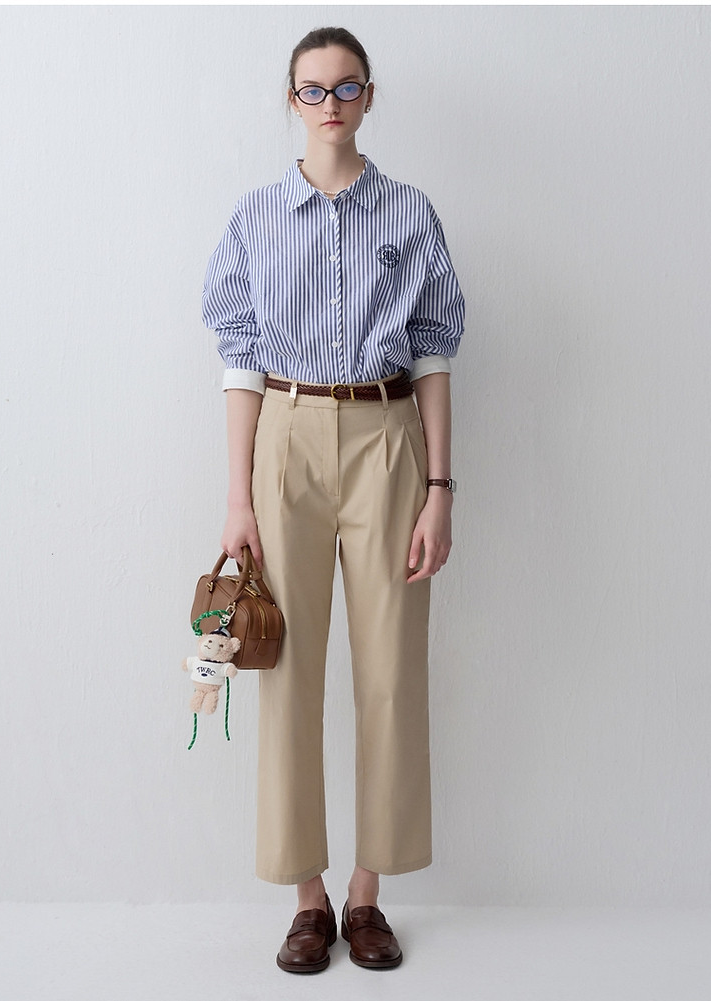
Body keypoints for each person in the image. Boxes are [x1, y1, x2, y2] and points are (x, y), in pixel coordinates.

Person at [202, 26, 464, 973]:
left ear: (368, 96)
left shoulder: (409, 212)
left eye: (346, 87)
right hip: (288, 435)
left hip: (389, 435)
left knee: (390, 667)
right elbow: (240, 358)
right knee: (288, 667)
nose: (330, 104)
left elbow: (433, 352)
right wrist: (238, 497)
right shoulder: (255, 218)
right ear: (292, 99)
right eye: (312, 89)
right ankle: (307, 897)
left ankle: (367, 893)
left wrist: (440, 487)